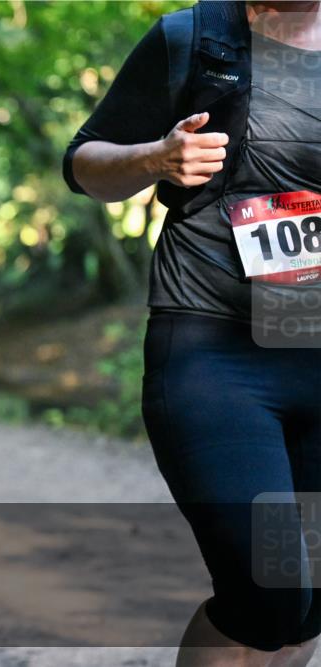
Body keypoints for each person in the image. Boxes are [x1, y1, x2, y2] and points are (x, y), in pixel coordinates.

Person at [65, 1, 319, 665]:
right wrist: (157, 157)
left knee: (308, 606)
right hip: (214, 351)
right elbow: (84, 163)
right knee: (270, 593)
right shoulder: (196, 37)